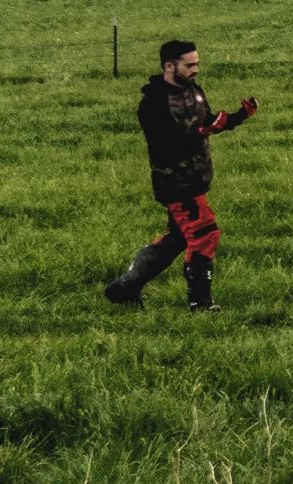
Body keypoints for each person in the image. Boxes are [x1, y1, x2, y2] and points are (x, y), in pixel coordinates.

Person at [105, 38, 258, 309]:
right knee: (204, 234)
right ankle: (200, 303)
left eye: (197, 64)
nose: (196, 69)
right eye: (190, 65)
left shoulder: (194, 90)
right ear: (169, 66)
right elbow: (166, 145)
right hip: (176, 183)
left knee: (177, 238)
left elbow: (207, 121)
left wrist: (237, 117)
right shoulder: (152, 103)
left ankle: (126, 286)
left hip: (197, 178)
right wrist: (203, 132)